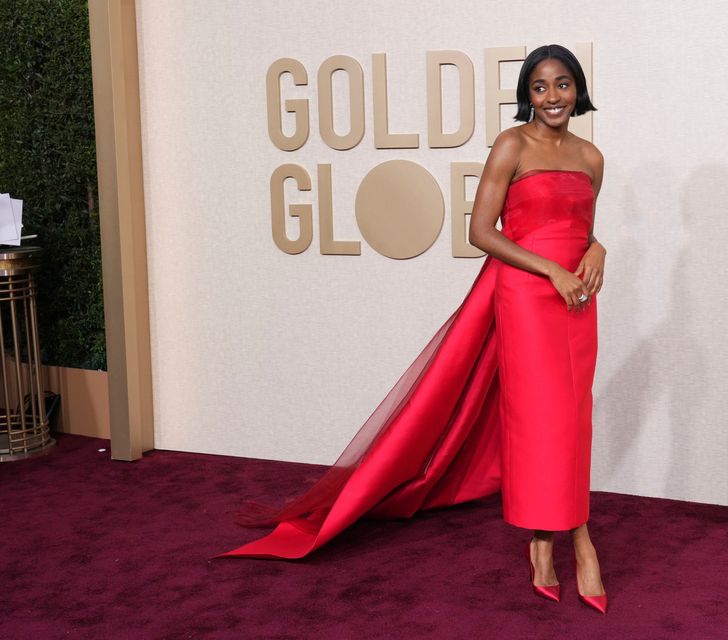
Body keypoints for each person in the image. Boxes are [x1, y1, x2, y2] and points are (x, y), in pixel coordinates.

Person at [222, 44, 607, 614]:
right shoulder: (512, 145)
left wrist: (599, 247)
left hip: (576, 303)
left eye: (563, 85)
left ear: (578, 90)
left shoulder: (591, 156)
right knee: (542, 422)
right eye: (540, 87)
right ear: (527, 95)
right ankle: (570, 541)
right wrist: (548, 267)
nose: (552, 97)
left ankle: (547, 541)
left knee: (573, 421)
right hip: (527, 296)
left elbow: (579, 226)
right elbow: (481, 231)